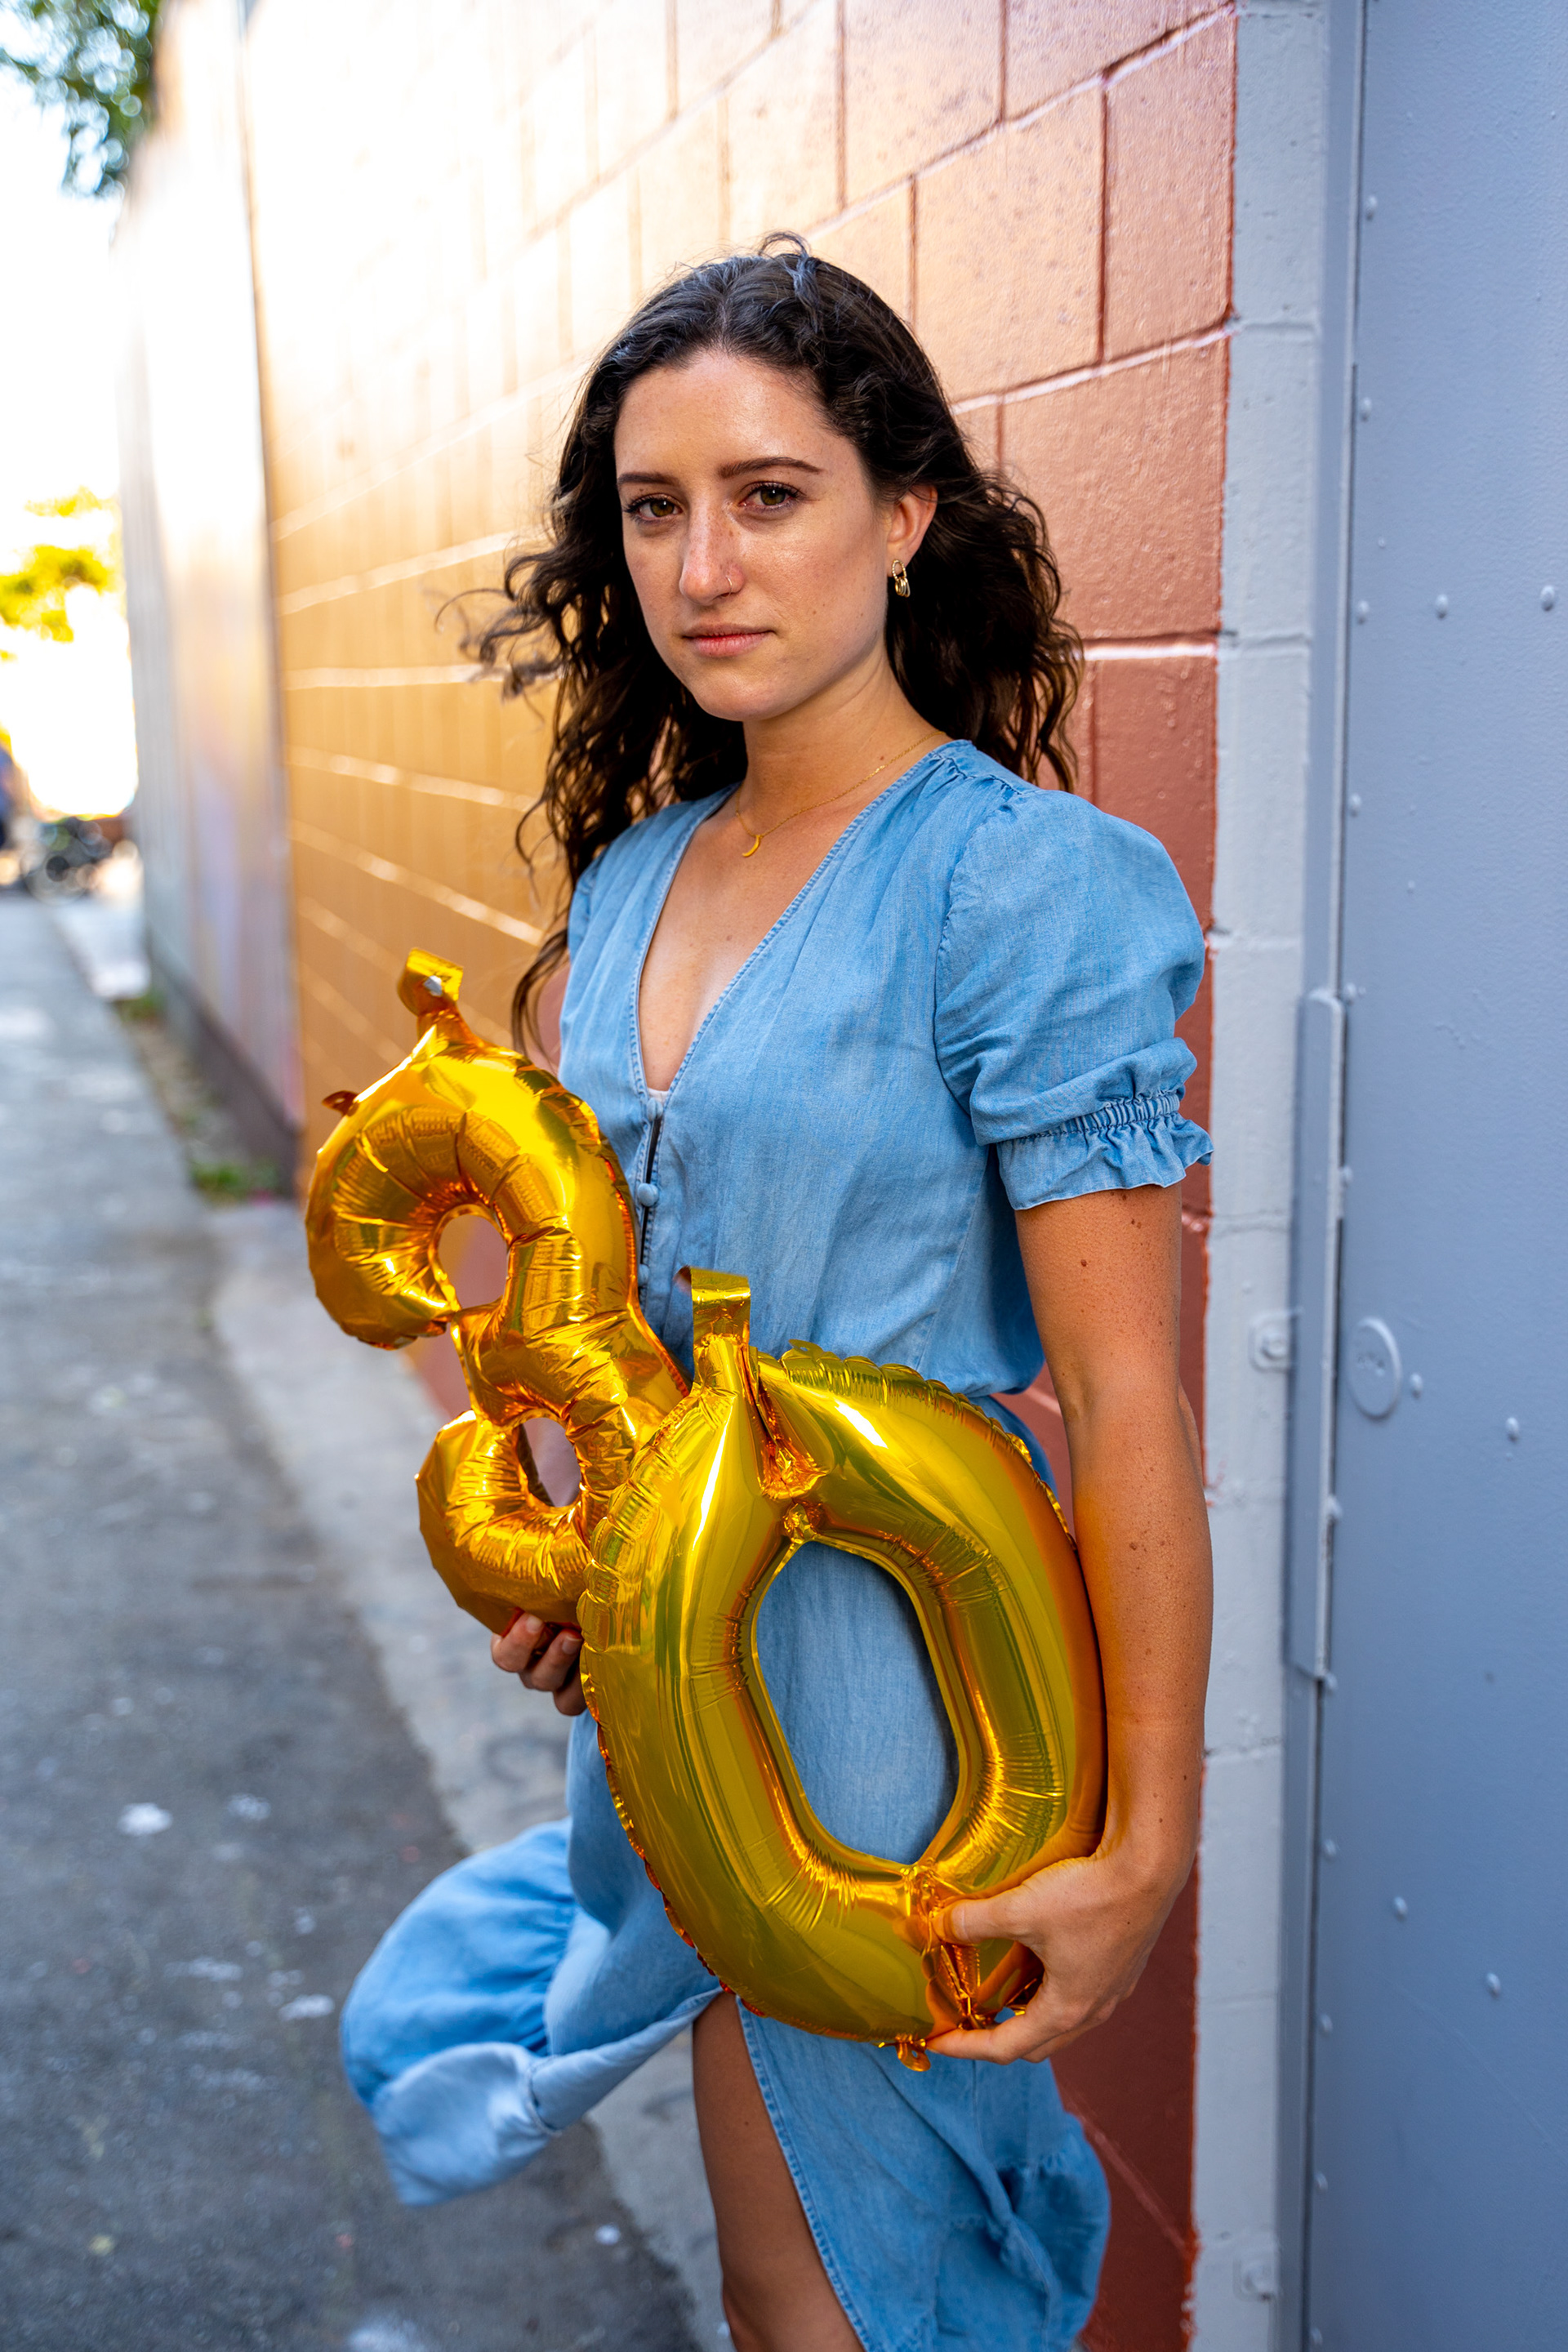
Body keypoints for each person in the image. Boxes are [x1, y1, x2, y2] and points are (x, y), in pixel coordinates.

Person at [341, 239, 1213, 2352]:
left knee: (842, 2293)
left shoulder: (1025, 889)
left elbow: (1128, 1398)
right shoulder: (634, 878)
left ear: (905, 516)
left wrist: (1148, 1845)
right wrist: (595, 1578)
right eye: (655, 509)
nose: (704, 566)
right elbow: (623, 1324)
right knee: (789, 2283)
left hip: (901, 1695)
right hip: (683, 1678)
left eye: (770, 494)